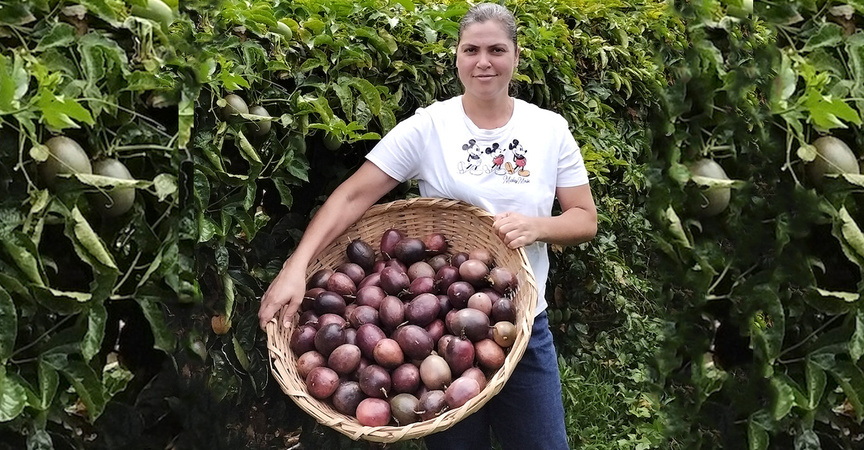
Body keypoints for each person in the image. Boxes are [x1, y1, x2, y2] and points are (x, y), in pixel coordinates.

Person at [258, 3, 597, 449]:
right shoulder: (429, 127)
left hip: (523, 323)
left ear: (516, 55)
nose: (483, 61)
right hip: (440, 325)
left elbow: (583, 218)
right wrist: (295, 268)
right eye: (471, 50)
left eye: (497, 50)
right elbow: (352, 196)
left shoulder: (549, 130)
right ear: (456, 57)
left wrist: (538, 227)